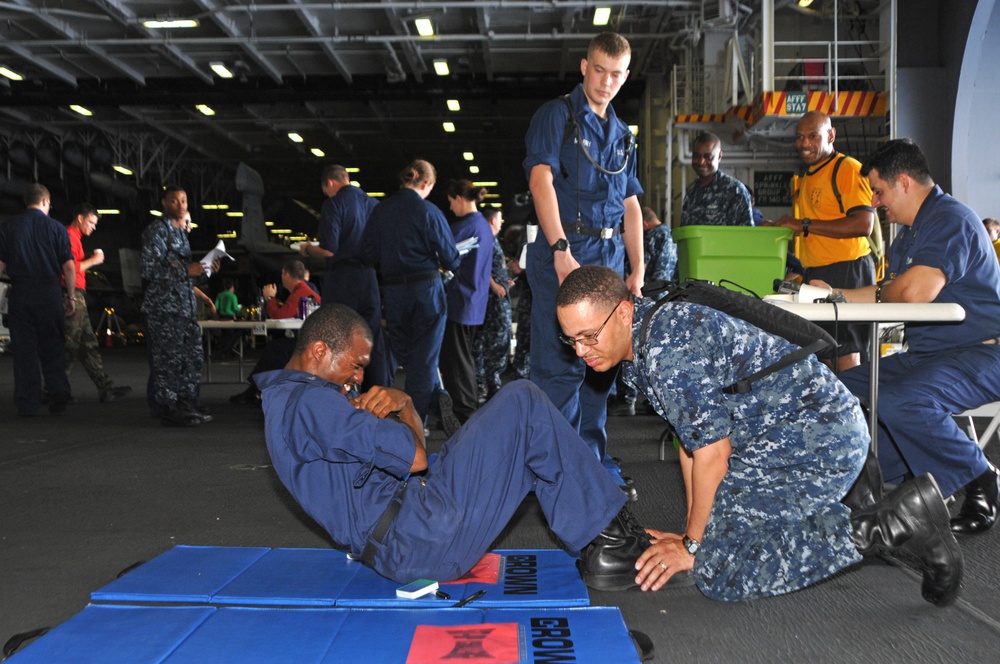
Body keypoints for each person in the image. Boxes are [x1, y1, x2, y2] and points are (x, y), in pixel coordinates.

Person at [555, 265, 964, 606]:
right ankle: (860, 513)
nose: (581, 351)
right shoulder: (646, 334)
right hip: (785, 437)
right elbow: (691, 443)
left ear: (624, 312)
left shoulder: (666, 350)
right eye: (571, 339)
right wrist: (692, 533)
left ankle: (891, 521)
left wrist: (694, 548)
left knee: (718, 573)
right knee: (713, 542)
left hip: (817, 444)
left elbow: (713, 454)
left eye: (589, 336)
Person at [255, 303, 650, 591]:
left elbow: (417, 461)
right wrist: (401, 409)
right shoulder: (312, 402)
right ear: (320, 351)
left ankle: (603, 528)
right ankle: (612, 541)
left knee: (518, 428)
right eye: (356, 365)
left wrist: (406, 404)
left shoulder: (287, 401)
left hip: (408, 529)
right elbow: (415, 457)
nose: (357, 379)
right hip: (419, 536)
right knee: (523, 401)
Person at [817, 139, 1000, 537]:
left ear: (903, 183)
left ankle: (979, 476)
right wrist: (831, 296)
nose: (877, 203)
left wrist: (874, 292)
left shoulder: (951, 220)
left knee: (902, 400)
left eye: (879, 192)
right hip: (932, 354)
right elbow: (888, 291)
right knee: (833, 386)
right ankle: (885, 480)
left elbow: (913, 293)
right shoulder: (911, 233)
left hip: (982, 354)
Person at [523, 31, 644, 466]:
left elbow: (631, 205)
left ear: (625, 76)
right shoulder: (557, 115)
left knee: (601, 370)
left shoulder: (623, 136)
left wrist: (638, 269)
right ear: (584, 67)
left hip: (610, 261)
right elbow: (541, 182)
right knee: (559, 369)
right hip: (565, 253)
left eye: (615, 74)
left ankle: (591, 464)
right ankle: (557, 471)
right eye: (598, 70)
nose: (605, 81)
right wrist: (559, 248)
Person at [360, 159, 461, 434]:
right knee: (423, 362)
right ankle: (417, 425)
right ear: (426, 183)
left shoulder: (380, 211)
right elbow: (452, 259)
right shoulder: (428, 211)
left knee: (409, 356)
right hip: (426, 290)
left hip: (394, 293)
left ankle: (431, 401)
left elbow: (366, 254)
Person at [771, 110, 877, 372]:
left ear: (830, 135)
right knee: (824, 350)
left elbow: (864, 224)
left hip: (847, 269)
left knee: (845, 350)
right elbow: (816, 225)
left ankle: (853, 410)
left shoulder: (847, 169)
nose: (804, 143)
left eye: (812, 136)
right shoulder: (807, 175)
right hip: (817, 272)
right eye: (799, 137)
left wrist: (802, 225)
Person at [302, 164, 391, 390]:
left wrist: (308, 249)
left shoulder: (334, 204)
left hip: (342, 279)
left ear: (330, 183)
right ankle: (377, 392)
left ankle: (341, 393)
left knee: (339, 337)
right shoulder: (373, 204)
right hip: (369, 279)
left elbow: (329, 249)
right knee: (372, 338)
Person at [141, 185, 218, 427]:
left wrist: (206, 271)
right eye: (174, 201)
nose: (181, 204)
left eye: (184, 200)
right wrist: (186, 270)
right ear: (164, 203)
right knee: (168, 359)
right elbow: (149, 270)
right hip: (164, 308)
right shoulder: (157, 231)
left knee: (191, 357)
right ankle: (168, 406)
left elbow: (186, 276)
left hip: (184, 307)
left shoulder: (181, 233)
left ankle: (186, 401)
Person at [0, 183, 76, 416]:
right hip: (49, 294)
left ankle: (27, 402)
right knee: (52, 347)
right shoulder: (56, 228)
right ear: (45, 202)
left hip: (21, 295)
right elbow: (69, 267)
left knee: (24, 352)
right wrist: (71, 296)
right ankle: (58, 394)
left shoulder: (8, 227)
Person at [61, 203, 132, 403]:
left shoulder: (75, 237)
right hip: (72, 294)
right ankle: (54, 389)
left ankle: (105, 387)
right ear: (80, 218)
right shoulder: (70, 236)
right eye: (91, 222)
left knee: (87, 343)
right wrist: (94, 260)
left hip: (76, 295)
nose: (93, 227)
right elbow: (70, 268)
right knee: (70, 344)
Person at [229, 261, 322, 406]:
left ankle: (256, 389)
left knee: (275, 350)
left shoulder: (300, 292)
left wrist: (270, 299)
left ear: (286, 273)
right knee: (277, 349)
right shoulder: (304, 291)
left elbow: (280, 314)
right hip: (312, 341)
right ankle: (260, 389)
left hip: (309, 344)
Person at [439, 180, 493, 422]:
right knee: (463, 360)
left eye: (451, 203)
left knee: (457, 362)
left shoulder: (468, 227)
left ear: (459, 199)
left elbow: (446, 258)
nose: (451, 208)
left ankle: (465, 413)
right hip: (473, 303)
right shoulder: (481, 225)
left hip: (461, 303)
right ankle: (465, 410)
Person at [475, 208, 513, 402]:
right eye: (499, 219)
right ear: (491, 220)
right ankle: (487, 383)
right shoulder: (487, 239)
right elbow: (480, 265)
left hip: (497, 295)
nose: (501, 222)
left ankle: (489, 382)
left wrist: (504, 281)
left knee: (492, 340)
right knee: (496, 339)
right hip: (493, 299)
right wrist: (495, 285)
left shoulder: (490, 239)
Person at [679, 132, 754, 227]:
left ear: (719, 156)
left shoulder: (735, 191)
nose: (701, 161)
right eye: (696, 156)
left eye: (708, 157)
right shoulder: (691, 194)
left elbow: (746, 235)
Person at [640, 206, 677, 284]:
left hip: (651, 288)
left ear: (644, 224)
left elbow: (642, 265)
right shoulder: (670, 232)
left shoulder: (650, 235)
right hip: (669, 286)